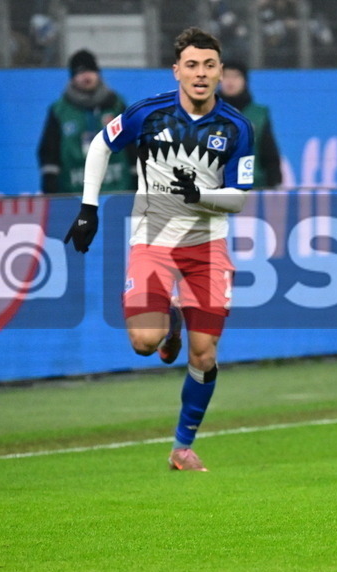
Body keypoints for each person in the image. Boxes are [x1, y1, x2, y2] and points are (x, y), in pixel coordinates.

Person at [64, 28, 255, 472]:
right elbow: (100, 145)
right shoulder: (147, 113)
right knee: (144, 343)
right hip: (154, 240)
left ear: (221, 72)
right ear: (177, 71)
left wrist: (199, 197)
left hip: (207, 247)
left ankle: (182, 447)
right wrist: (88, 208)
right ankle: (167, 323)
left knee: (204, 354)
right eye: (192, 65)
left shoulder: (236, 127)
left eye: (209, 65)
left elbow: (240, 196)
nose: (201, 73)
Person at [38, 49, 131, 194]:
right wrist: (50, 184)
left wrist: (138, 179)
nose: (86, 76)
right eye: (80, 73)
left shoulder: (116, 105)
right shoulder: (60, 111)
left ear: (98, 74)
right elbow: (49, 151)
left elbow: (134, 144)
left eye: (90, 71)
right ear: (72, 78)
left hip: (117, 190)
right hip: (73, 192)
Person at [218, 60, 283, 188]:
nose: (230, 81)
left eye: (236, 76)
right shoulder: (207, 112)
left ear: (245, 81)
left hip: (254, 185)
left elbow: (268, 150)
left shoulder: (258, 114)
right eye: (225, 76)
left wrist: (274, 179)